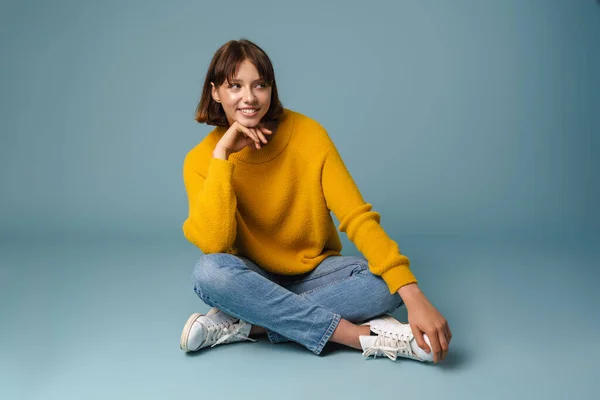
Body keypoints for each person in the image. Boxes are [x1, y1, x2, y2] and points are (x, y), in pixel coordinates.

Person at [179, 38, 451, 363]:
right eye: (235, 86)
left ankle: (248, 324)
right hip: (250, 275)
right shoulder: (200, 161)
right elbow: (215, 242)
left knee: (385, 284)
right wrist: (222, 156)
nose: (249, 98)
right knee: (209, 273)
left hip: (314, 272)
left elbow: (356, 217)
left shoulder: (309, 135)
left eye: (260, 85)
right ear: (215, 92)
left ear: (271, 88)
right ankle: (360, 338)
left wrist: (415, 295)